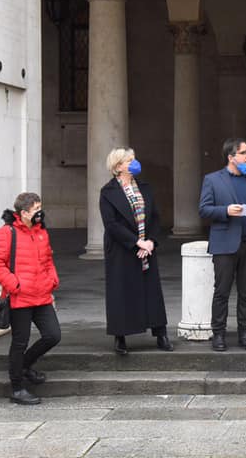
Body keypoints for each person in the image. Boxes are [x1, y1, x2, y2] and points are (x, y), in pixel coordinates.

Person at [0, 192, 61, 405]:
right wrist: (14, 284)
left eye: (40, 208)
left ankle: (25, 366)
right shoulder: (6, 233)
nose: (40, 212)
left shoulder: (41, 231)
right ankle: (17, 387)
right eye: (36, 209)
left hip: (42, 294)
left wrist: (52, 279)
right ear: (24, 212)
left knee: (53, 335)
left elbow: (47, 259)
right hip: (19, 297)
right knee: (20, 342)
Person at [199, 138, 246, 351]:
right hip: (224, 245)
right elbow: (204, 209)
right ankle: (218, 334)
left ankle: (245, 333)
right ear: (231, 157)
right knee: (221, 292)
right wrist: (225, 211)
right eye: (245, 153)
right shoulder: (212, 180)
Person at [99, 147, 173, 355]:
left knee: (152, 291)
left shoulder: (145, 188)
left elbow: (156, 217)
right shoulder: (108, 192)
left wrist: (150, 242)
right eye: (129, 160)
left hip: (146, 248)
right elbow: (111, 224)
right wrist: (135, 243)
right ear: (118, 166)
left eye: (134, 159)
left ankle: (161, 333)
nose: (134, 162)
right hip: (122, 249)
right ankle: (120, 336)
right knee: (121, 292)